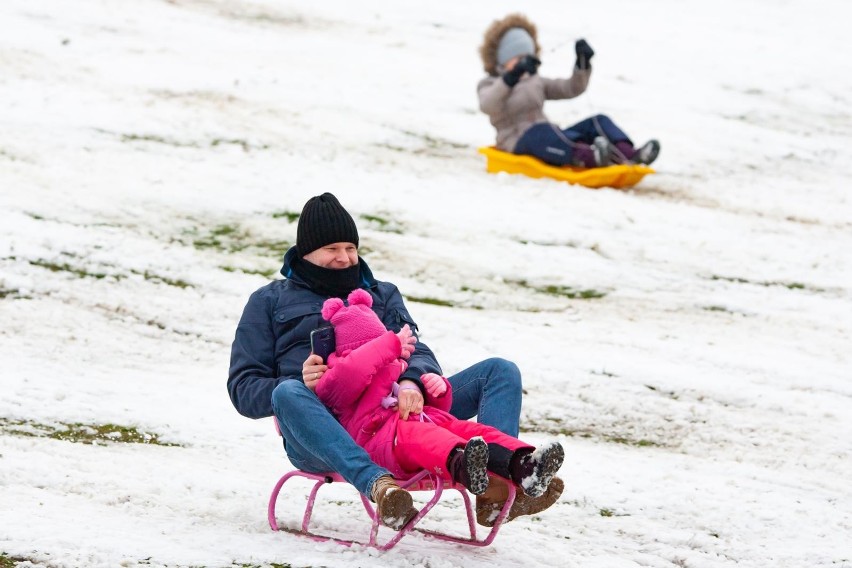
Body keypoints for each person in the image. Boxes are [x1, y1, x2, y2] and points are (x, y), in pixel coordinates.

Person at [227, 192, 563, 530]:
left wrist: (410, 381)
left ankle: (496, 487)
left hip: (393, 411)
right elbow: (243, 389)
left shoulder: (380, 294)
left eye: (350, 248)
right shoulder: (268, 301)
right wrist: (305, 384)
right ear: (305, 252)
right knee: (286, 392)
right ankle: (379, 485)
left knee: (499, 371)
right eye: (331, 249)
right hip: (320, 431)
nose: (344, 258)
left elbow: (416, 349)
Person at [315, 288, 565, 502]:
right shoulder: (335, 377)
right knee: (425, 435)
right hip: (384, 442)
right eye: (377, 342)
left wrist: (437, 389)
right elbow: (356, 368)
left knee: (471, 432)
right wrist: (388, 345)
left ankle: (524, 464)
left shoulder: (396, 363)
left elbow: (436, 405)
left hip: (425, 420)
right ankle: (464, 465)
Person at [478, 13, 660, 168]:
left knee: (598, 122)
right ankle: (591, 156)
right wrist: (512, 76)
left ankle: (630, 154)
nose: (522, 62)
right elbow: (488, 105)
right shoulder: (490, 84)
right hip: (517, 142)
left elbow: (571, 88)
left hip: (550, 137)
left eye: (526, 56)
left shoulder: (535, 81)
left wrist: (582, 64)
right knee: (540, 132)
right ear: (502, 59)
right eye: (517, 58)